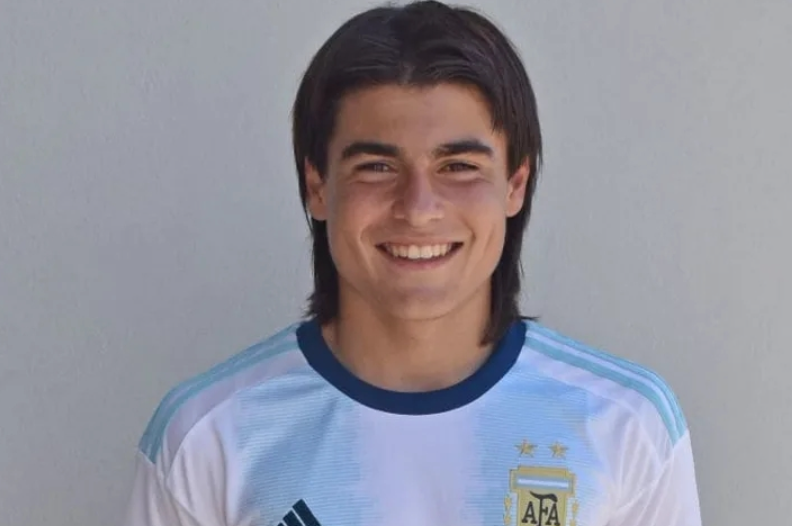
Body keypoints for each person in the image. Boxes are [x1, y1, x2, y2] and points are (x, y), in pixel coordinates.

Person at [122, 1, 702, 525]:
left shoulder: (626, 426)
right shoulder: (206, 439)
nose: (419, 209)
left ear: (515, 185)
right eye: (377, 167)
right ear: (317, 186)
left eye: (459, 167)